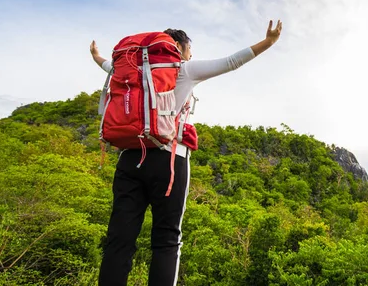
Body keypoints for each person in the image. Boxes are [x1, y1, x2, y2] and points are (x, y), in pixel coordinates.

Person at [90, 20, 282, 286]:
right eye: (190, 49)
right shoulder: (184, 68)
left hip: (130, 158)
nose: (191, 54)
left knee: (119, 239)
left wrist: (96, 55)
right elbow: (231, 62)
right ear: (178, 46)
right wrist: (268, 42)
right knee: (167, 239)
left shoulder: (130, 67)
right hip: (168, 160)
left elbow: (106, 65)